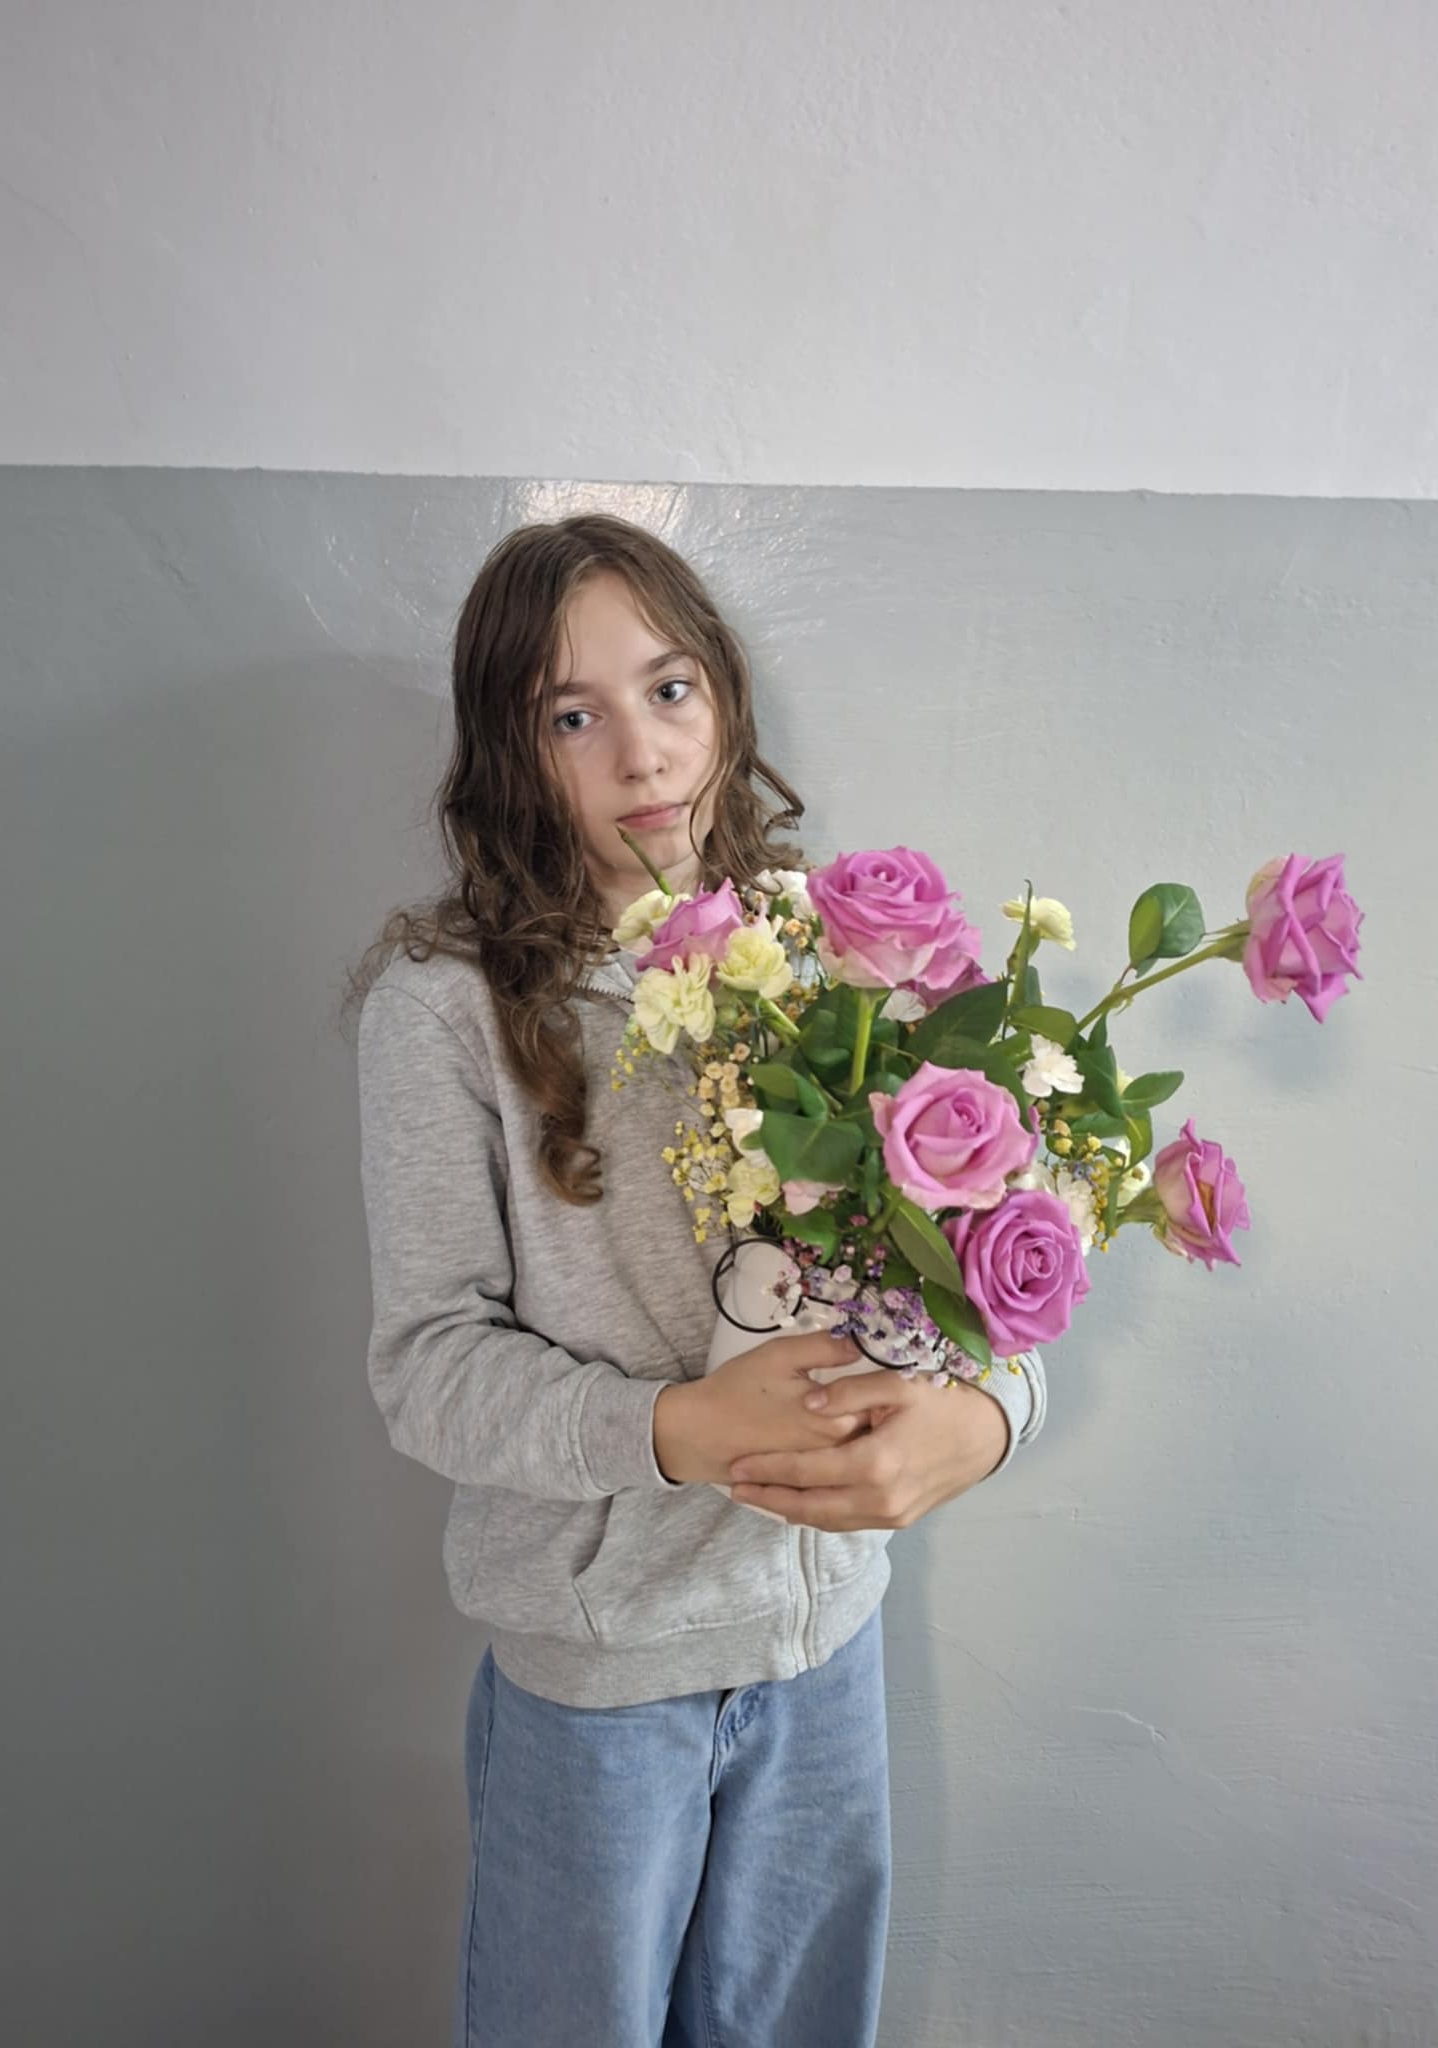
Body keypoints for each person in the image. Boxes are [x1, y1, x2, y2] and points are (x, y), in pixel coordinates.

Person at [347, 512, 1047, 2047]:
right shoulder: (445, 1010)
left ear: (722, 692)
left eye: (668, 690)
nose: (642, 751)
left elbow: (988, 1260)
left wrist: (993, 1415)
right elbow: (430, 1362)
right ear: (510, 750)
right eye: (572, 716)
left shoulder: (840, 958)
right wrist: (678, 1429)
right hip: (599, 1683)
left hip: (826, 1656)